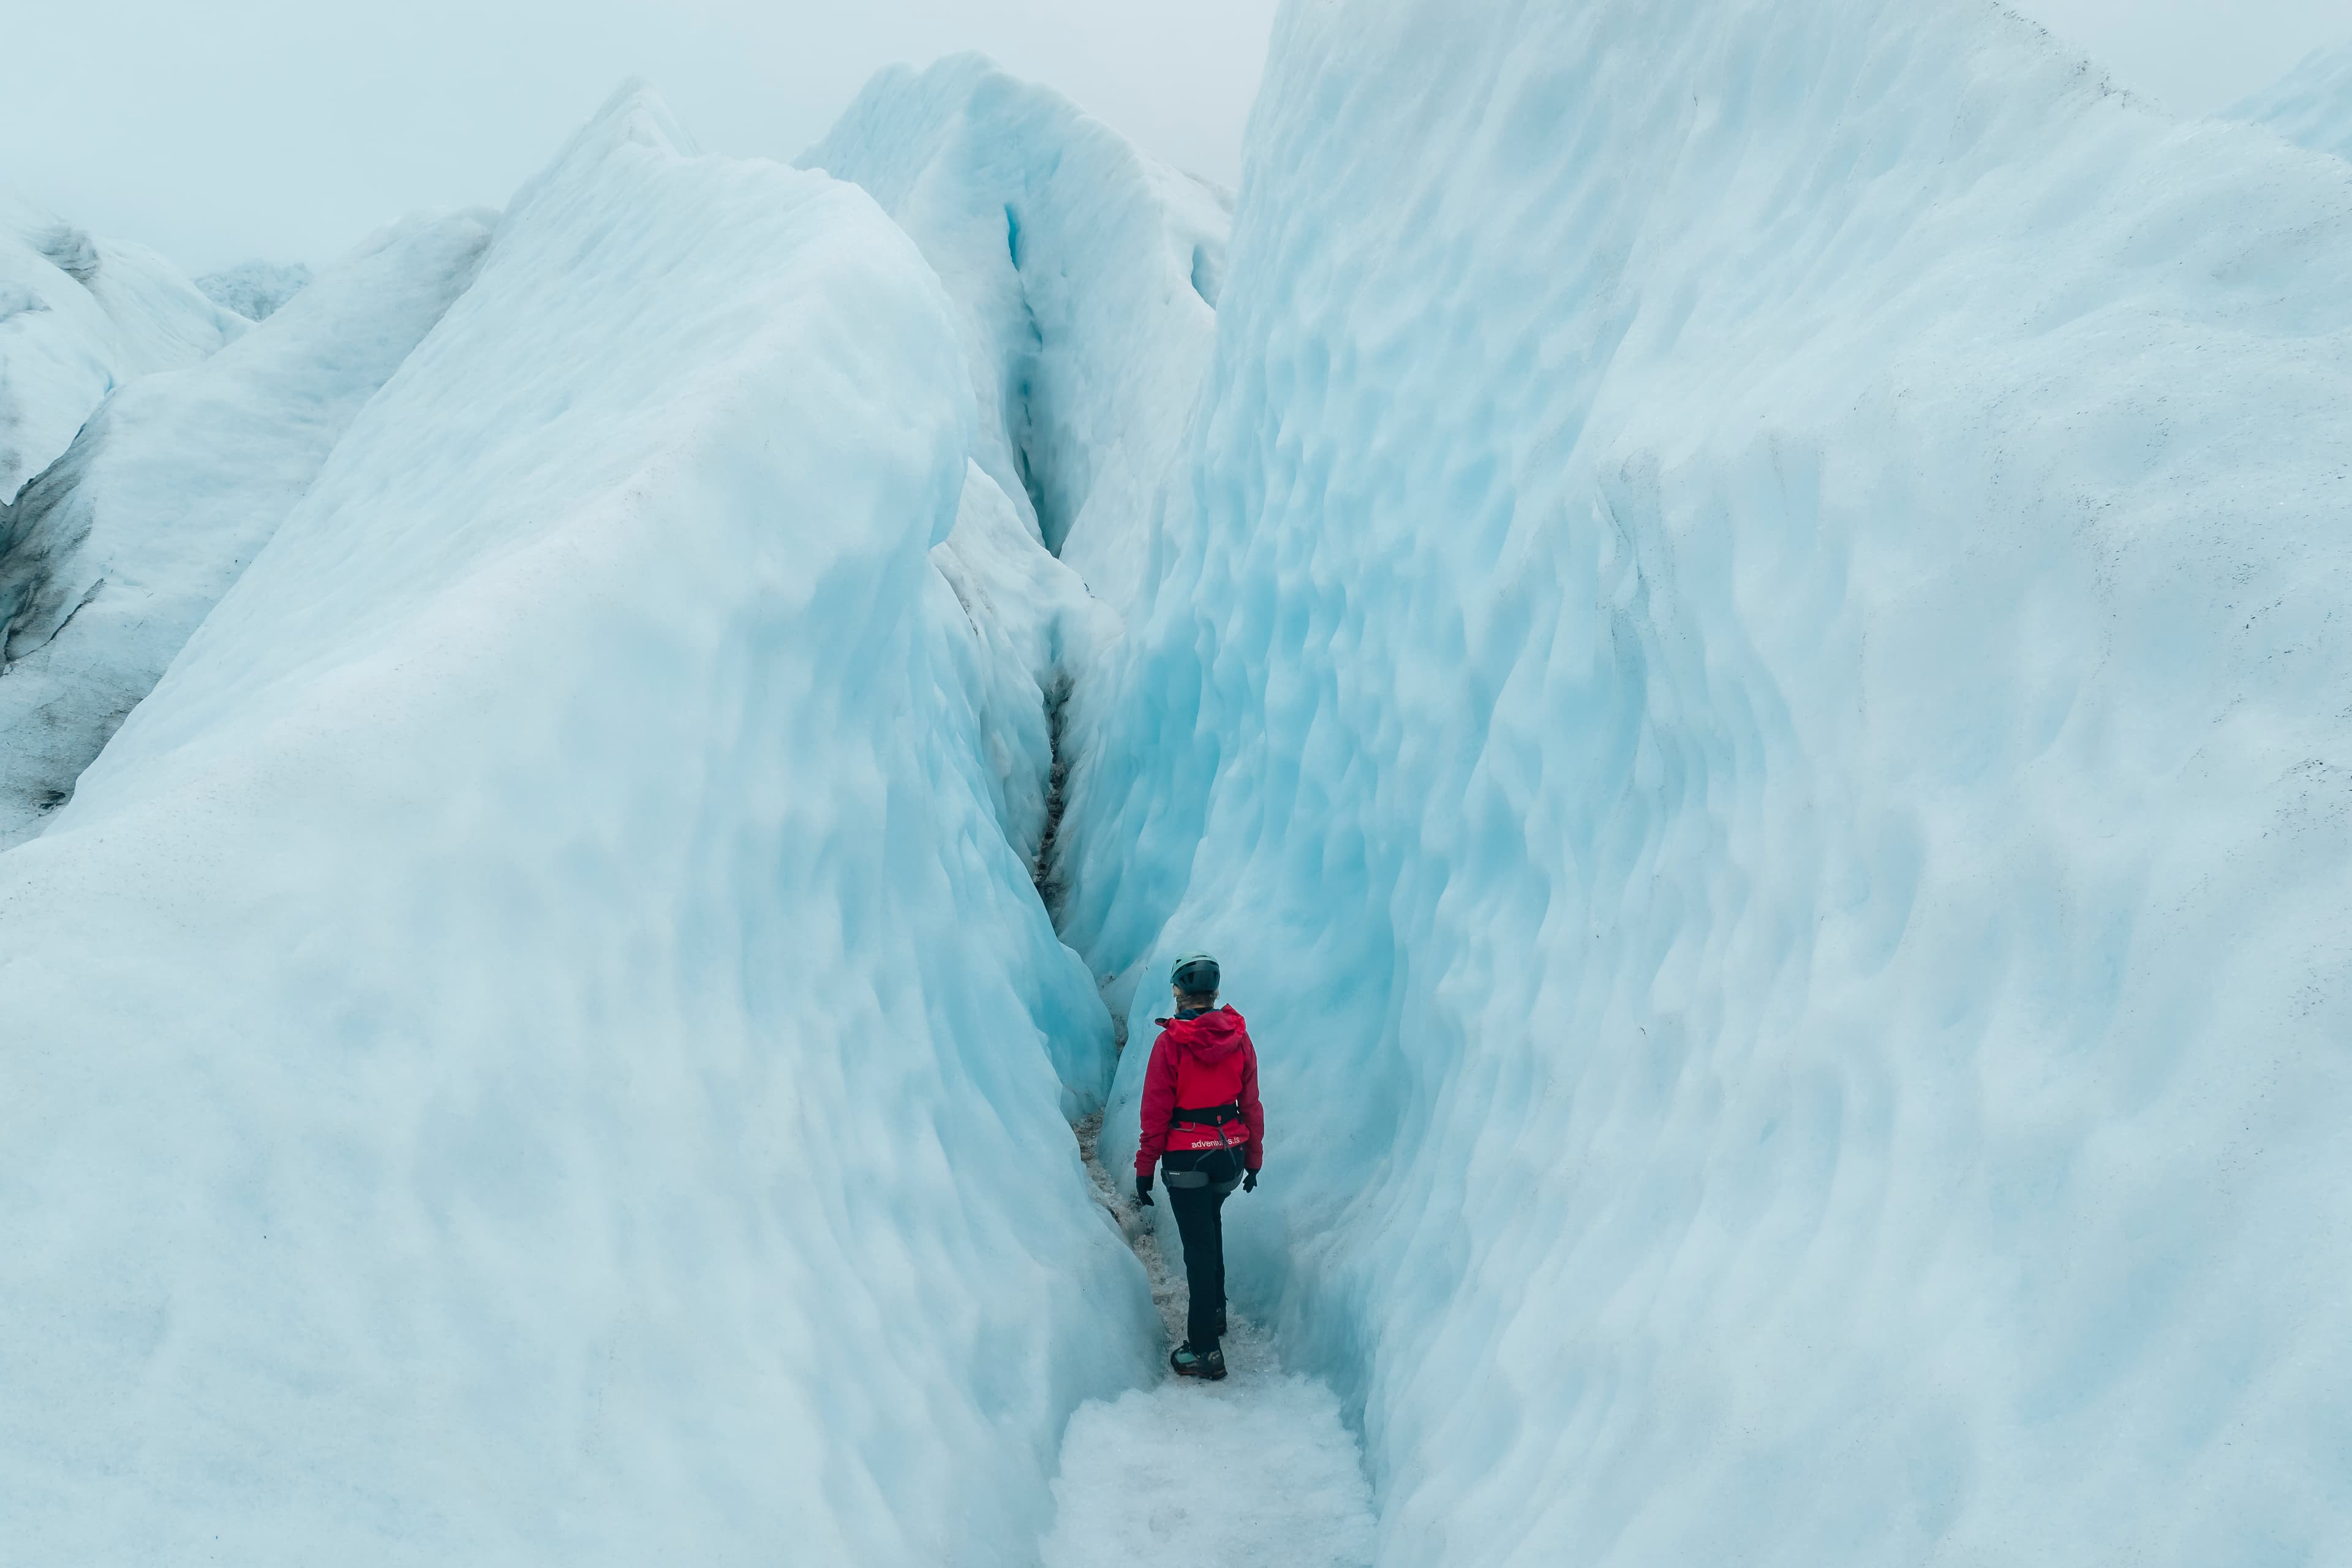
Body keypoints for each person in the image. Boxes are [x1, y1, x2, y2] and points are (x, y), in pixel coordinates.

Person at [1133, 951, 1264, 1381]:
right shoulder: (1240, 1039)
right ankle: (1216, 1311)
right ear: (1214, 992)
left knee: (1198, 1249)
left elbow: (1155, 1111)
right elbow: (1251, 1105)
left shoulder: (1170, 1043)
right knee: (1212, 1226)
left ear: (1178, 992)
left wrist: (1144, 1166)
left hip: (1187, 1156)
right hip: (1228, 1155)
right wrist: (1254, 1158)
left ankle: (1205, 1350)